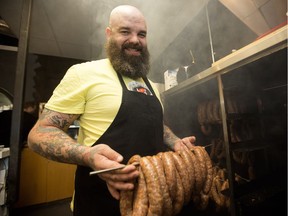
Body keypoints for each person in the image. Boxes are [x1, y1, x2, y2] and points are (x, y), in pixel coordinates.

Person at [28, 5, 196, 216]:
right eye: (125, 31)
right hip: (100, 204)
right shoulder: (84, 73)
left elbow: (154, 125)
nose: (135, 39)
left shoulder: (150, 84)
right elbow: (39, 133)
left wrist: (176, 142)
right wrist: (89, 155)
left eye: (141, 34)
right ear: (109, 34)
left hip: (154, 204)